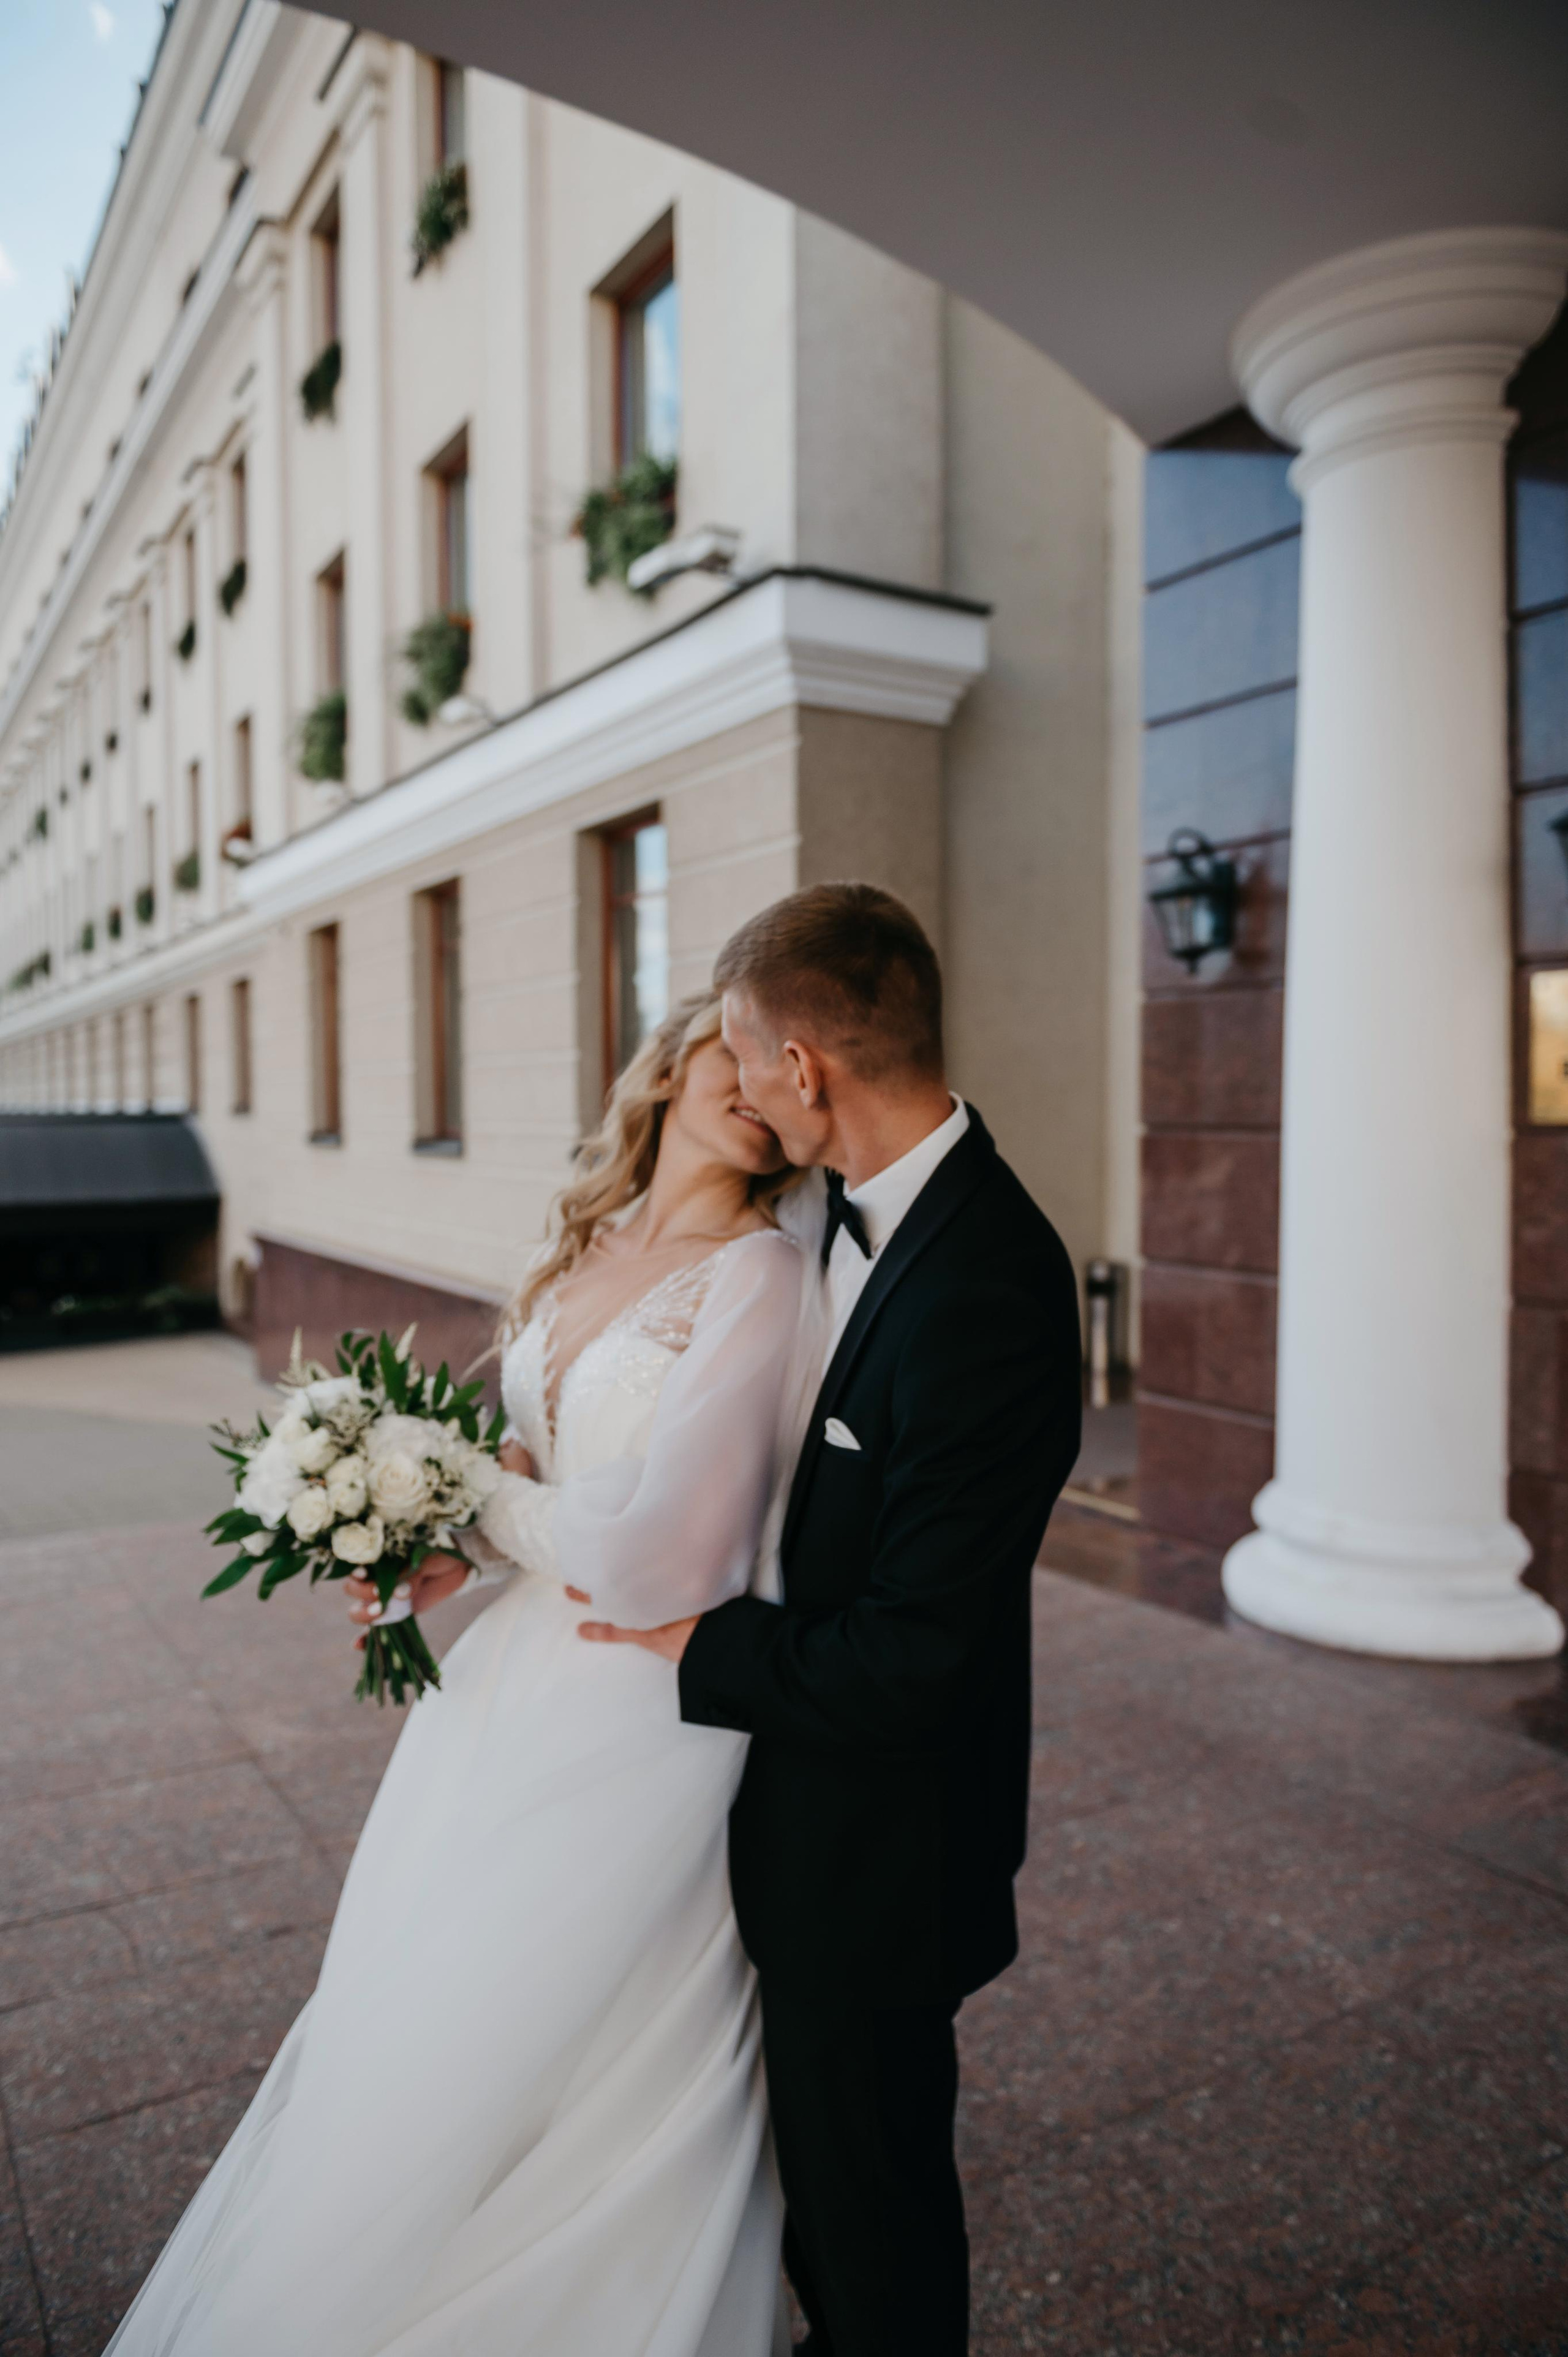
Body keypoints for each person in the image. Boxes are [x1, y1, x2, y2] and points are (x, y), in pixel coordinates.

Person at [105, 993, 821, 2357]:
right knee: (439, 2008)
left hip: (645, 1706)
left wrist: (470, 1498)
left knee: (587, 2022)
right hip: (510, 1688)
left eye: (779, 1066)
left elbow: (675, 1547)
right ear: (668, 1065)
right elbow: (544, 1490)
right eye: (731, 1049)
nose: (754, 1083)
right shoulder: (576, 1254)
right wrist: (433, 1545)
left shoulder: (761, 1277)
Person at [579, 884, 1083, 2357]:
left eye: (742, 1057)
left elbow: (918, 1658)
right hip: (792, 1806)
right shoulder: (821, 1208)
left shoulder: (986, 1280)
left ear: (805, 1071)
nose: (729, 1085)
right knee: (813, 2195)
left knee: (871, 2224)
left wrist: (692, 1645)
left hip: (879, 1851)